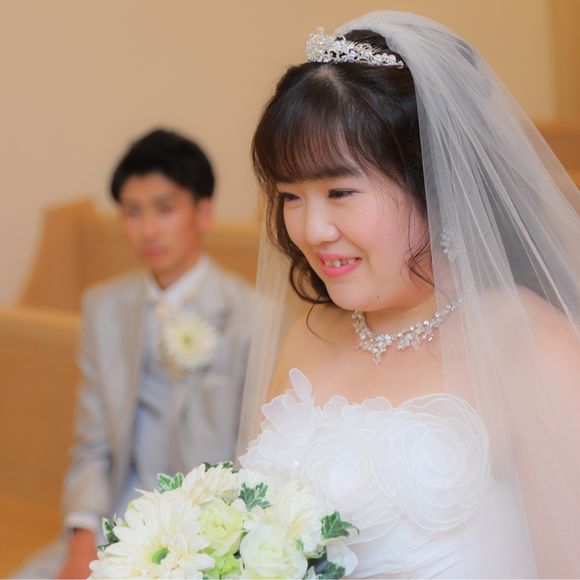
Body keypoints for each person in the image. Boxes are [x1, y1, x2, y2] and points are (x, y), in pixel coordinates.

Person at [238, 11, 580, 578]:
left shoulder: (534, 350)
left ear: (432, 181)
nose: (311, 230)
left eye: (339, 192)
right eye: (290, 196)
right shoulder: (307, 337)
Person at [17, 129, 254, 579]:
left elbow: (250, 456)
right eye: (132, 211)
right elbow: (92, 443)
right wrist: (82, 538)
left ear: (203, 212)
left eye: (164, 209)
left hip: (205, 529)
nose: (147, 230)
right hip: (116, 516)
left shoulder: (251, 315)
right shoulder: (103, 307)